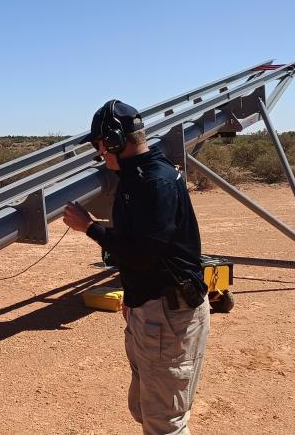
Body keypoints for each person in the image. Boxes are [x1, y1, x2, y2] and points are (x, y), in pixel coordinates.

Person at [62, 100, 209, 435]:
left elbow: (143, 251)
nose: (100, 154)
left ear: (114, 140)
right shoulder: (137, 176)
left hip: (169, 316)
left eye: (100, 145)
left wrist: (91, 228)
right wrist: (133, 295)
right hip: (153, 309)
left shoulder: (152, 182)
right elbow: (144, 249)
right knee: (146, 408)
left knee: (164, 421)